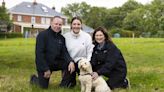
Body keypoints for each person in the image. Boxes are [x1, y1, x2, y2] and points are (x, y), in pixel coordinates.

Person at [30, 16, 75, 89]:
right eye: (56, 24)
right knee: (43, 87)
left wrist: (70, 61)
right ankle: (34, 79)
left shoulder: (61, 38)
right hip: (45, 64)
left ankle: (63, 86)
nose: (58, 26)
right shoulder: (42, 35)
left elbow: (64, 52)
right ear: (51, 23)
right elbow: (39, 55)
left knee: (70, 64)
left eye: (60, 24)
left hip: (56, 62)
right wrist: (45, 69)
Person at [63, 16, 94, 86]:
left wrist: (87, 63)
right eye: (74, 24)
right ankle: (71, 79)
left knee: (88, 84)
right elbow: (64, 52)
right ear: (71, 25)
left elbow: (90, 52)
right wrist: (70, 61)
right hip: (70, 62)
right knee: (66, 85)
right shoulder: (65, 37)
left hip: (83, 62)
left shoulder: (87, 36)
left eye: (78, 24)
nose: (76, 26)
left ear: (81, 25)